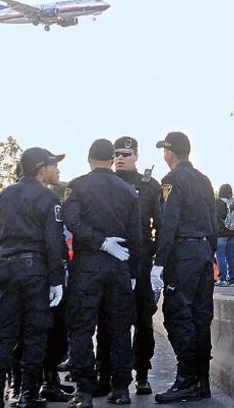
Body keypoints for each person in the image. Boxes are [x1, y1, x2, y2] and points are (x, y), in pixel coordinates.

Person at [61, 139, 142, 407]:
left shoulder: (78, 186)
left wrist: (99, 241)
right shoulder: (129, 190)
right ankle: (121, 388)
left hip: (87, 264)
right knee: (119, 329)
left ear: (88, 159)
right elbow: (136, 235)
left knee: (81, 328)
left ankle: (84, 391)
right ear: (111, 159)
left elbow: (71, 220)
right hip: (119, 264)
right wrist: (131, 271)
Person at [0, 147, 66, 408]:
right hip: (36, 271)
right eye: (54, 165)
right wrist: (56, 280)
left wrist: (4, 259)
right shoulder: (48, 198)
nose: (57, 169)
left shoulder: (4, 196)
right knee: (35, 331)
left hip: (8, 269)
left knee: (6, 332)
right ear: (42, 168)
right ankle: (28, 395)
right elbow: (54, 243)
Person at [153, 131, 218, 403]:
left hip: (183, 253)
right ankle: (201, 380)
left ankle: (186, 378)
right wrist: (210, 253)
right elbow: (214, 220)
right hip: (203, 250)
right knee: (201, 317)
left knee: (179, 315)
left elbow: (169, 223)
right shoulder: (203, 180)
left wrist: (159, 262)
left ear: (169, 152)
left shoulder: (171, 180)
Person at [102, 135, 162, 397]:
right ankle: (107, 374)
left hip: (139, 261)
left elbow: (160, 224)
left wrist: (158, 262)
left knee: (142, 320)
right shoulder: (105, 182)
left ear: (136, 156)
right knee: (107, 322)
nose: (119, 158)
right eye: (116, 154)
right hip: (111, 260)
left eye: (125, 154)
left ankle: (142, 374)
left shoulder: (149, 185)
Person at [214, 184, 234, 287]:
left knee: (220, 256)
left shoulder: (216, 202)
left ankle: (222, 279)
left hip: (221, 233)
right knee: (232, 256)